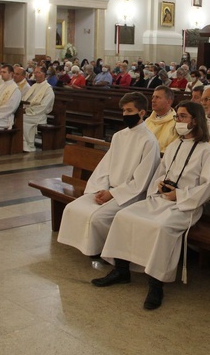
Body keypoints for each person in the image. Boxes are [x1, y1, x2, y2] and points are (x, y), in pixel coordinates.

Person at [94, 101, 210, 310]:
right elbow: (160, 172)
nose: (177, 121)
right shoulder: (174, 145)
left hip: (185, 206)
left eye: (182, 117)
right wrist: (159, 185)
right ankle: (121, 270)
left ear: (195, 121)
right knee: (124, 215)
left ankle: (156, 284)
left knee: (161, 228)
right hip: (160, 199)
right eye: (177, 116)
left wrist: (178, 195)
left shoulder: (208, 152)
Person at [58, 93, 160, 256]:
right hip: (108, 189)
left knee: (98, 218)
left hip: (129, 195)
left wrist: (112, 194)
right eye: (124, 111)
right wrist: (100, 189)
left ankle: (106, 253)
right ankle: (84, 246)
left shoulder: (149, 141)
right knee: (72, 208)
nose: (125, 115)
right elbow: (105, 167)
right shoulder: (119, 136)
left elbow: (141, 180)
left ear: (141, 113)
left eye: (129, 110)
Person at [22, 66, 56, 152]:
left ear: (44, 74)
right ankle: (21, 144)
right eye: (35, 72)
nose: (35, 75)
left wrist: (27, 111)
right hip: (29, 113)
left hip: (39, 115)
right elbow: (25, 99)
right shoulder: (34, 86)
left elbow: (43, 107)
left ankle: (29, 145)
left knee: (22, 119)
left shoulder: (48, 89)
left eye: (38, 72)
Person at [144, 86, 178, 153]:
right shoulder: (148, 121)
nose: (153, 100)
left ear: (168, 102)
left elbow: (171, 151)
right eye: (153, 97)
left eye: (157, 97)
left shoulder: (176, 123)